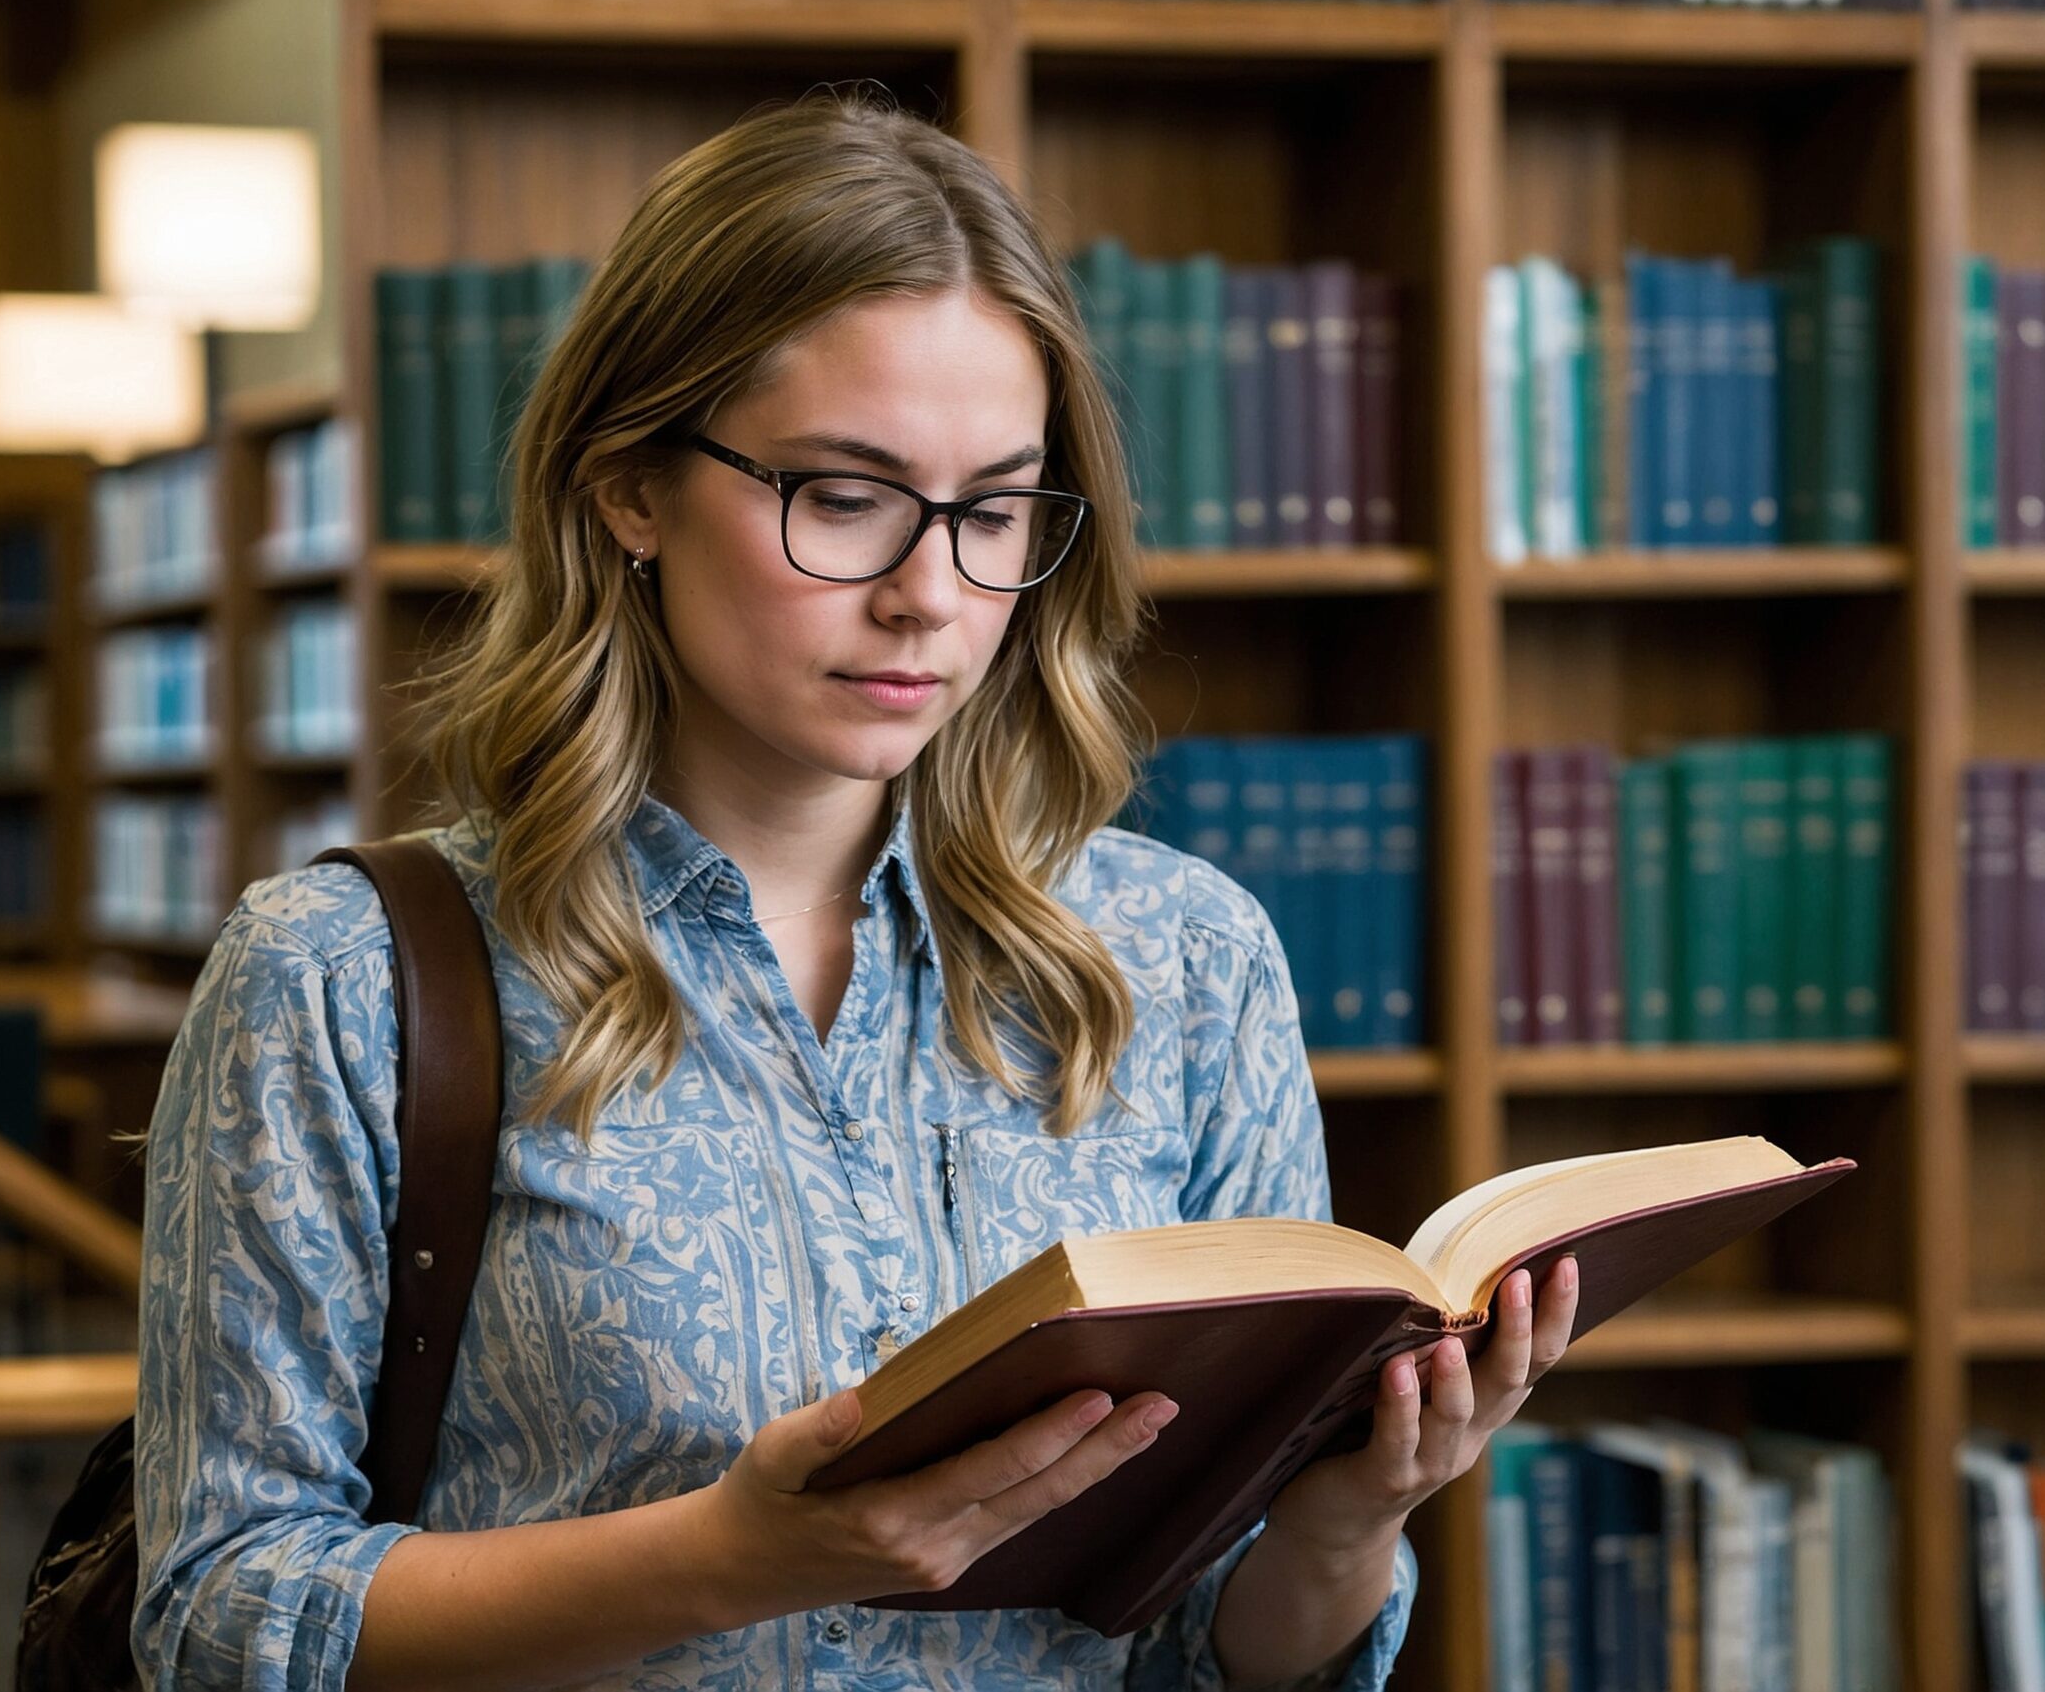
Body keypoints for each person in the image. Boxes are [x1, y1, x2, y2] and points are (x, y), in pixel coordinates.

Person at [131, 89, 1580, 1692]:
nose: (929, 596)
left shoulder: (1182, 958)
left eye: (995, 509)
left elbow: (1202, 1647)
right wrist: (723, 1560)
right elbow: (217, 1614)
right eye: (843, 495)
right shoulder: (342, 976)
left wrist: (1338, 1527)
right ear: (628, 486)